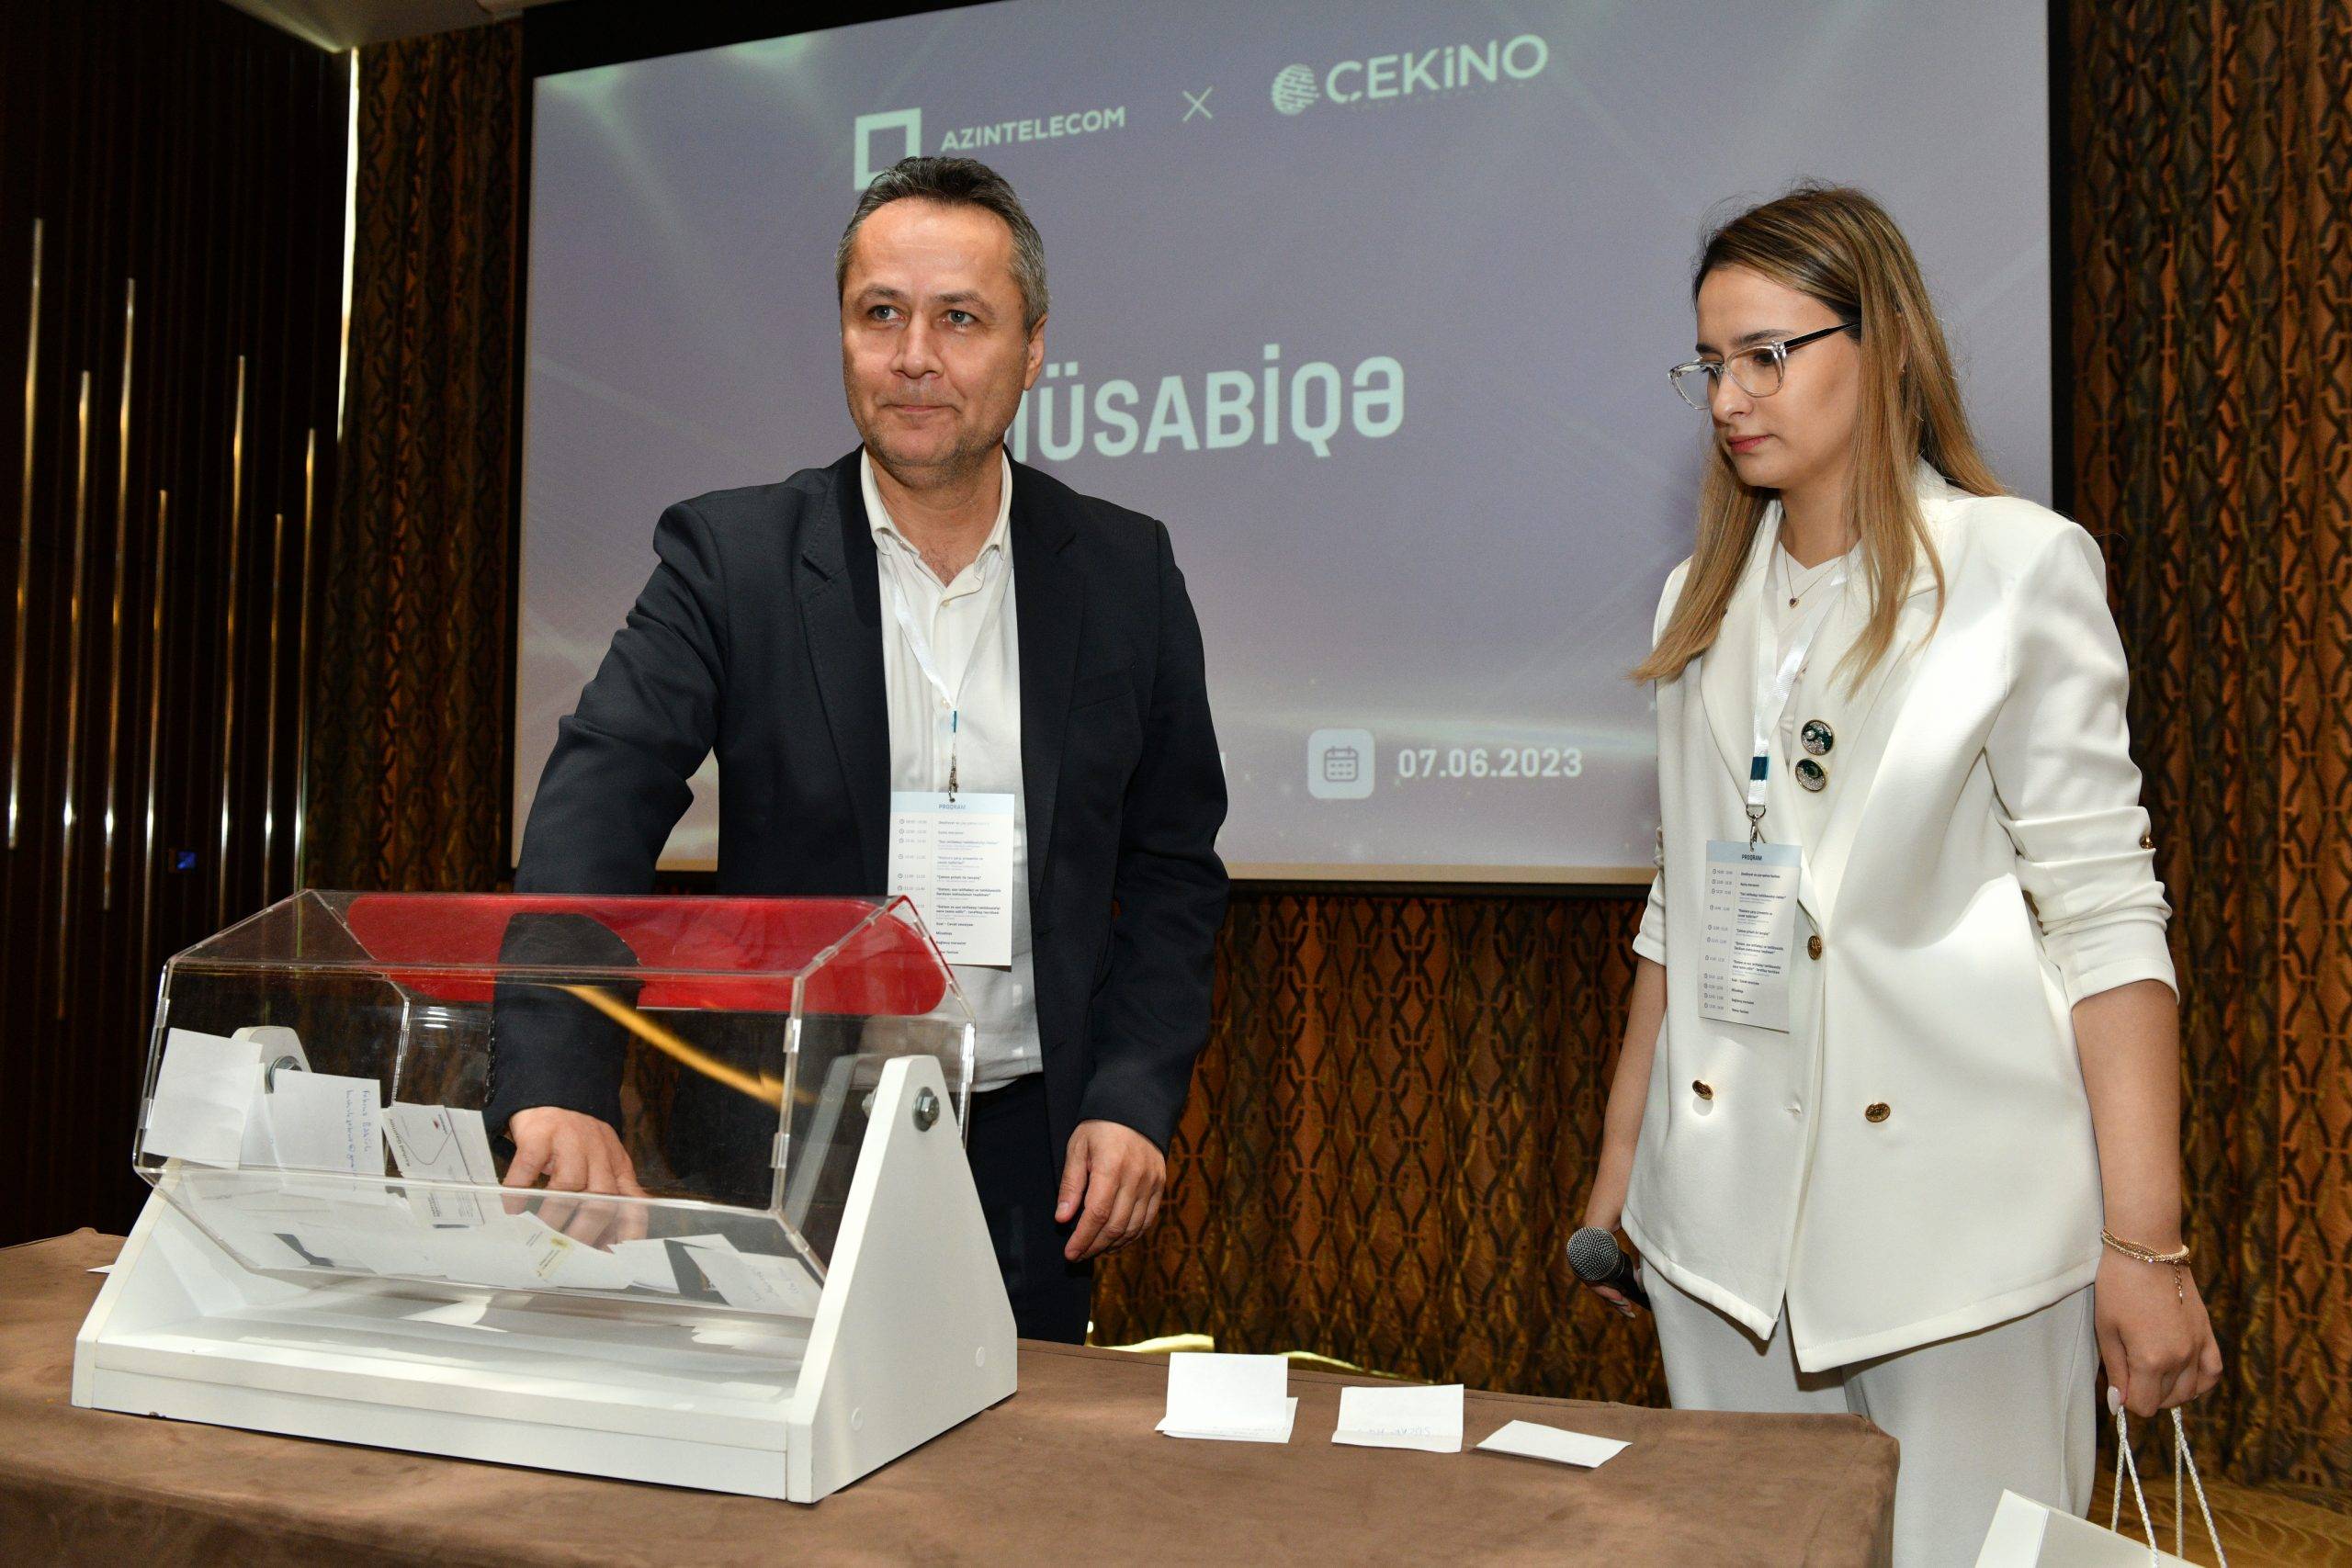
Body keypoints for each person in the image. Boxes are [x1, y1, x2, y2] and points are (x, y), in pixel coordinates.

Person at [1576, 185, 2222, 1567]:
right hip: (1718, 1235)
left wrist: (2147, 1246)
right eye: (1710, 364)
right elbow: (1685, 910)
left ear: (1885, 346)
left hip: (1964, 1234)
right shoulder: (1697, 600)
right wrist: (1621, 1180)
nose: (1730, 398)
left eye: (1768, 354)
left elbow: (2107, 916)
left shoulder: (2015, 567)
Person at [491, 156, 1229, 1343]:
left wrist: (1133, 1096)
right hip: (780, 1141)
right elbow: (596, 805)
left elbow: (1172, 867)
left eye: (960, 319)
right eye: (880, 313)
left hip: (1031, 1157)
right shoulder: (731, 560)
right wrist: (558, 1082)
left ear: (1034, 349)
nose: (914, 356)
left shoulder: (1126, 574)